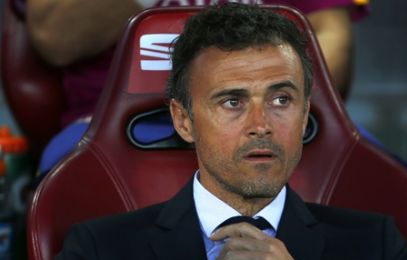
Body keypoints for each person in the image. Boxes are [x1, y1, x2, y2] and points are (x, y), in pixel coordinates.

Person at [33, 4, 407, 260]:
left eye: (281, 100)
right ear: (183, 120)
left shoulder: (377, 247)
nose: (261, 125)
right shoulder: (99, 253)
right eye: (232, 102)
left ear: (304, 116)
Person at [20, 0, 368, 176]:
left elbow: (330, 38)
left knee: (370, 168)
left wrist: (282, 108)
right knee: (70, 175)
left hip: (270, 113)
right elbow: (55, 38)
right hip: (119, 121)